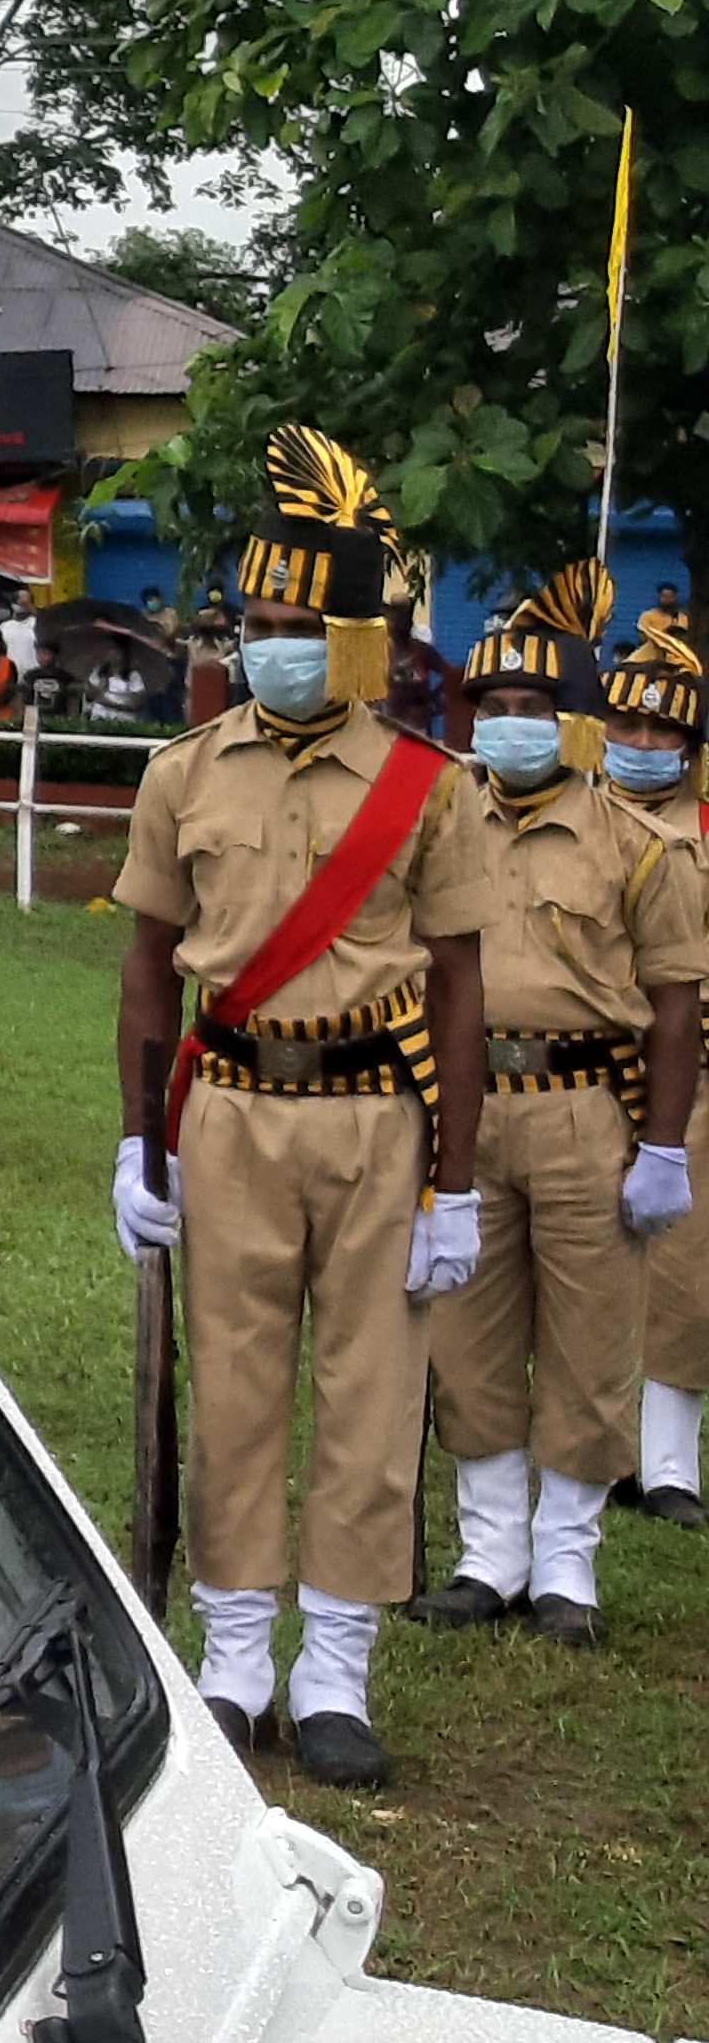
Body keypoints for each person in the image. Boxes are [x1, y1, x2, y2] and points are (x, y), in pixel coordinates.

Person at [112, 426, 490, 1787]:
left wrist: (457, 1180)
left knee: (373, 1394)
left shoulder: (428, 791)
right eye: (254, 620)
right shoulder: (184, 772)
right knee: (235, 1385)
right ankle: (232, 1659)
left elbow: (460, 988)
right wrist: (134, 1141)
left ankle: (334, 1672)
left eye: (297, 624)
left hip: (382, 1113)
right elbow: (149, 973)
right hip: (226, 1112)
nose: (268, 643)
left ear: (357, 637)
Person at [399, 578, 699, 1646]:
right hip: (467, 1105)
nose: (509, 723)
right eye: (491, 706)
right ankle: (492, 1557)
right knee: (469, 1334)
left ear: (572, 717)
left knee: (589, 1337)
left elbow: (673, 1008)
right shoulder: (438, 822)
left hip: (584, 1107)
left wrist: (663, 1146)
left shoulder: (637, 843)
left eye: (534, 704)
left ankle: (567, 1564)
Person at [604, 615, 709, 1526]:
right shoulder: (569, 811)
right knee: (582, 1270)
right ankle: (584, 1450)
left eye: (663, 732)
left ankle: (668, 1463)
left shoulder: (704, 826)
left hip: (693, 1068)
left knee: (684, 1273)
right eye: (627, 727)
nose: (642, 746)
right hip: (579, 1070)